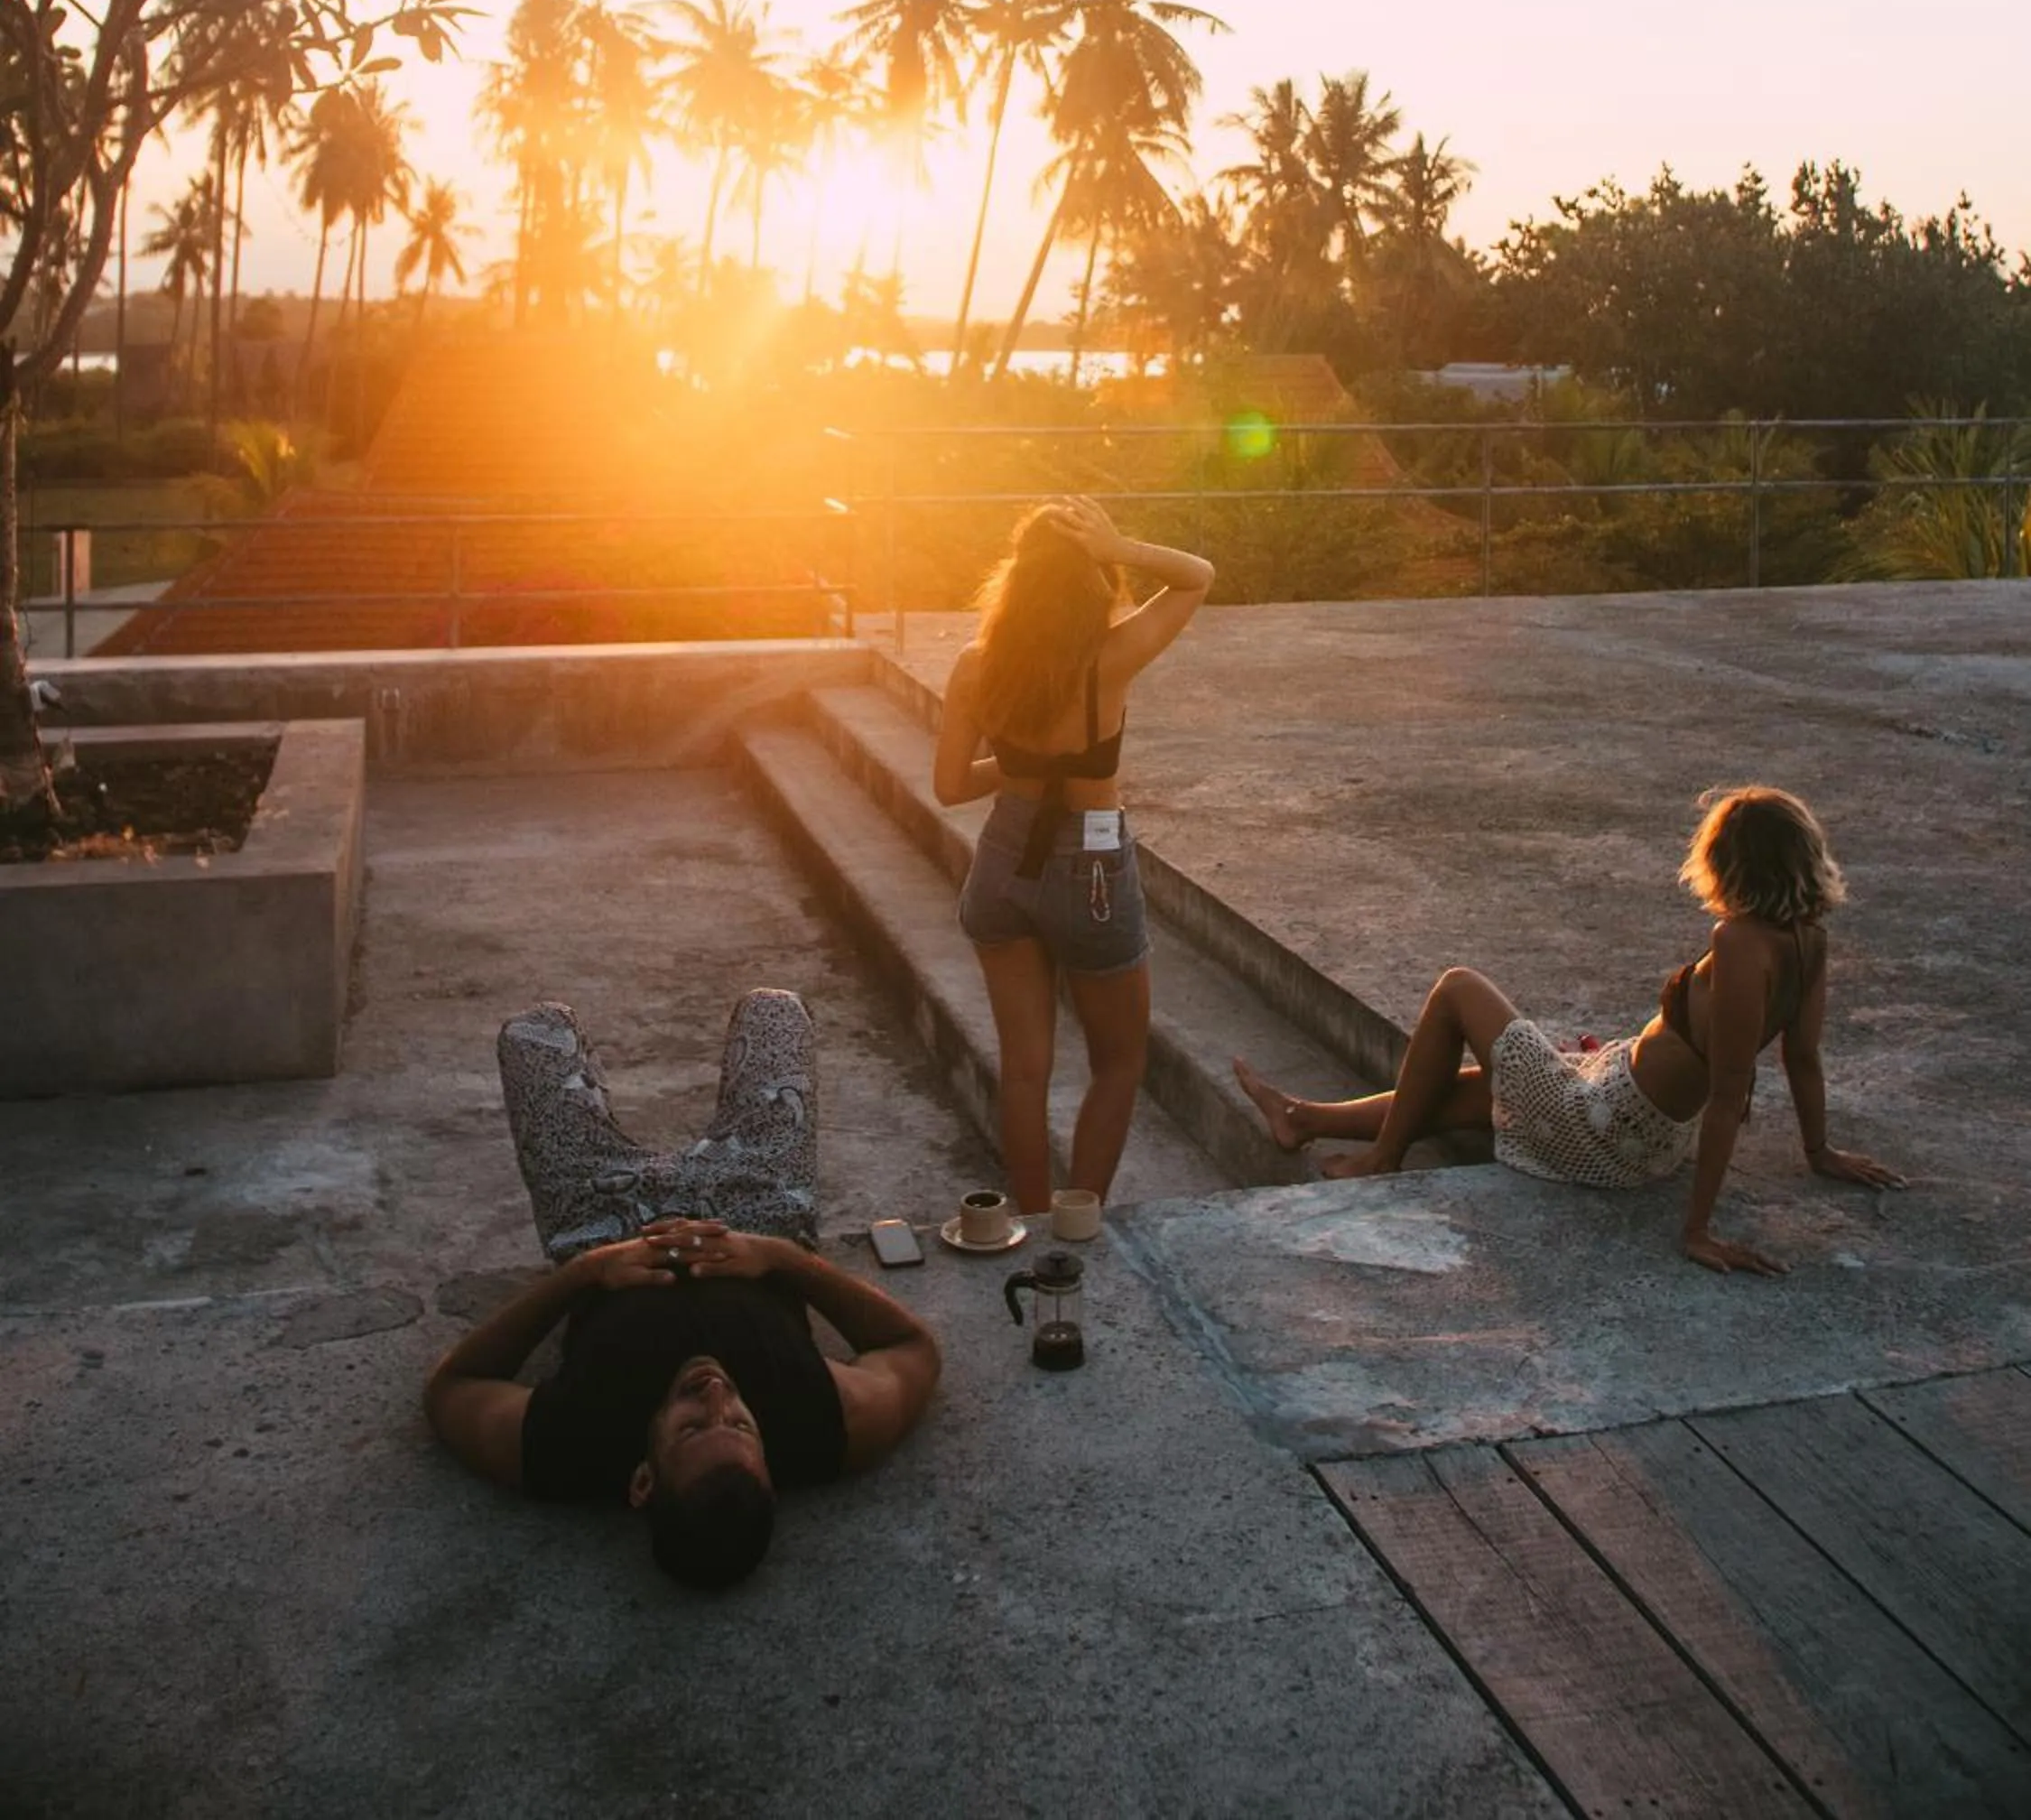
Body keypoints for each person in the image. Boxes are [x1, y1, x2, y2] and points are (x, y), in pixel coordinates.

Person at [1232, 785, 1906, 1274]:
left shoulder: (1737, 942)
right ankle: (1303, 1116)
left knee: (1458, 987)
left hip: (1605, 1129)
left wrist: (1698, 1231)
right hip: (1642, 1123)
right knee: (1471, 1087)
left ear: (1731, 864)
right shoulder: (1808, 940)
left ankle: (1381, 1158)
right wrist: (1819, 1152)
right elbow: (1805, 1059)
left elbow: (1730, 1091)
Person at [423, 989, 941, 1590]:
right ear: (770, 1464)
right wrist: (782, 1257)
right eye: (740, 1425)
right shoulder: (820, 1425)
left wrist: (583, 1274)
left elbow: (451, 1390)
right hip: (755, 1210)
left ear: (643, 1480)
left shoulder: (573, 1444)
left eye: (692, 1427)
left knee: (534, 1032)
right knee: (776, 1011)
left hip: (604, 1216)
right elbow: (913, 1349)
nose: (715, 1394)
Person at [933, 495, 1214, 1215]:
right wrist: (1121, 547)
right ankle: (1079, 1225)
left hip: (1001, 861)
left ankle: (1023, 1225)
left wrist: (1028, 766)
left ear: (1017, 576)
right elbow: (1197, 575)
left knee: (1025, 1072)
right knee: (1119, 1061)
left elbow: (950, 785)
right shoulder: (1112, 656)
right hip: (1090, 865)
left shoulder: (977, 666)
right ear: (1090, 575)